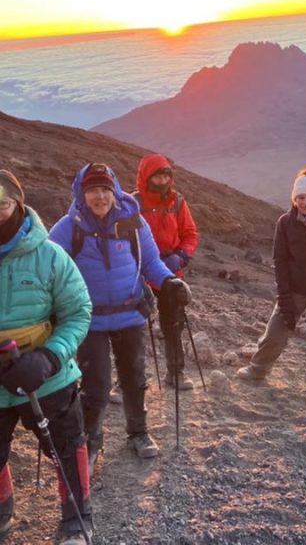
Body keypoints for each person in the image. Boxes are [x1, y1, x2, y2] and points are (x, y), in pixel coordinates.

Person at [49, 163, 191, 475]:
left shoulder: (133, 220)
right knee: (96, 386)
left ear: (114, 191)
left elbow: (151, 261)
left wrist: (169, 283)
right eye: (92, 190)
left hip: (131, 314)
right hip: (90, 320)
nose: (99, 196)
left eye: (104, 189)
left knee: (134, 379)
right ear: (81, 193)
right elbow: (48, 265)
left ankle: (137, 432)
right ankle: (90, 439)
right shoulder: (69, 226)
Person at [0, 170, 93, 544]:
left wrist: (50, 358)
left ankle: (76, 516)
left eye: (3, 204)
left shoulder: (50, 256)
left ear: (19, 203)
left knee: (67, 446)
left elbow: (78, 311)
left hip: (48, 375)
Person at [237, 169, 306, 401]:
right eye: (300, 198)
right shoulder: (285, 223)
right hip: (296, 287)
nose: (305, 202)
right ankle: (258, 369)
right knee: (275, 331)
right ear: (294, 199)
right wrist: (284, 294)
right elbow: (280, 259)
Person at [134, 154, 199, 390]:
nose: (162, 181)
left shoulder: (178, 203)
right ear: (146, 176)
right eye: (157, 176)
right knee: (134, 327)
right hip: (140, 274)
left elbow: (190, 234)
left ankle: (176, 373)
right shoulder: (133, 204)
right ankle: (129, 379)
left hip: (171, 273)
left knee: (173, 324)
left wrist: (181, 256)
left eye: (165, 176)